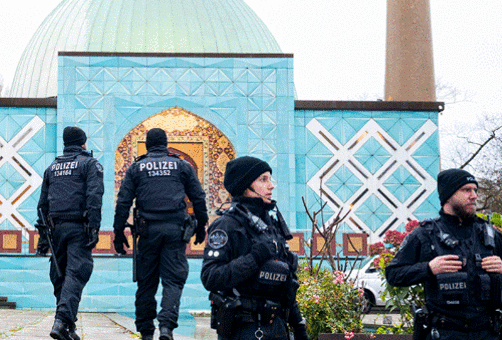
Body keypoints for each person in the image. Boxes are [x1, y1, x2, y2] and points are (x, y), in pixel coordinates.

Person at [386, 168, 502, 340]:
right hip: (445, 332)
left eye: (475, 190)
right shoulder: (425, 234)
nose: (474, 196)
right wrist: (428, 268)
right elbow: (393, 274)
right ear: (448, 196)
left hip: (487, 333)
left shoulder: (490, 233)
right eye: (466, 190)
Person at [113, 128, 208, 340]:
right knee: (173, 280)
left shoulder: (136, 167)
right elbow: (198, 198)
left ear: (147, 145)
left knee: (146, 282)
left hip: (147, 231)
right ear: (165, 145)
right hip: (175, 230)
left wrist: (118, 233)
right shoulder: (182, 165)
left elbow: (123, 202)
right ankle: (166, 328)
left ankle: (146, 332)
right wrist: (201, 226)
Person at [200, 156, 308, 340]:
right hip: (244, 328)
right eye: (263, 179)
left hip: (278, 328)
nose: (271, 185)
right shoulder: (227, 226)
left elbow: (287, 284)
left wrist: (298, 325)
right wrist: (254, 258)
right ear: (245, 185)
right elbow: (211, 277)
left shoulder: (272, 226)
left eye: (270, 179)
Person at [37, 126, 103, 340]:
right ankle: (61, 320)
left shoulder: (52, 167)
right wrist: (94, 226)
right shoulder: (89, 164)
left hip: (55, 229)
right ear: (83, 143)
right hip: (78, 228)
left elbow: (42, 205)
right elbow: (94, 196)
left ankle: (68, 326)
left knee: (60, 275)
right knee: (77, 273)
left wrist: (42, 239)